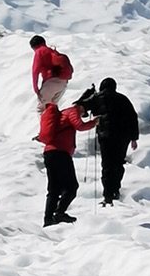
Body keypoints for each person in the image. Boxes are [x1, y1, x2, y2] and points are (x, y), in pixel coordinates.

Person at [39, 92, 98, 226]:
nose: (83, 112)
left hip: (50, 153)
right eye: (84, 110)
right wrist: (93, 123)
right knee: (72, 186)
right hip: (60, 153)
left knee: (54, 189)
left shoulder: (63, 113)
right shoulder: (73, 111)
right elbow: (79, 126)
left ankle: (48, 219)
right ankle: (59, 213)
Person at [89, 76, 140, 204]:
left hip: (105, 136)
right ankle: (115, 190)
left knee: (107, 165)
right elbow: (133, 118)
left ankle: (107, 195)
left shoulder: (97, 98)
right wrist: (134, 138)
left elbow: (90, 110)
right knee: (118, 163)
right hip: (123, 137)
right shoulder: (123, 99)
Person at [29, 35, 74, 107]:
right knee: (52, 108)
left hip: (51, 82)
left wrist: (36, 89)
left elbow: (35, 71)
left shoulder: (39, 51)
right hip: (63, 83)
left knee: (42, 108)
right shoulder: (52, 51)